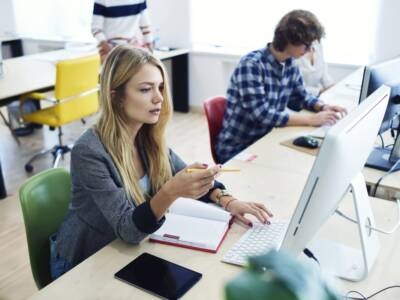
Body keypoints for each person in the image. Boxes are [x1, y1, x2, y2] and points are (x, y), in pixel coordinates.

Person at [49, 45, 273, 279]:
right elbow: (129, 229)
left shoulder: (146, 135)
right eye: (145, 89)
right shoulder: (89, 151)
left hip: (125, 251)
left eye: (160, 87)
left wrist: (227, 200)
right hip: (84, 260)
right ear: (115, 96)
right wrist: (170, 192)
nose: (158, 98)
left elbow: (188, 174)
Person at [215, 10, 346, 164]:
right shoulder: (251, 65)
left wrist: (323, 107)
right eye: (307, 45)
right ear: (290, 41)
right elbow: (261, 115)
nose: (310, 50)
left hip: (268, 137)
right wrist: (311, 119)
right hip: (240, 148)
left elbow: (301, 97)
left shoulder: (290, 63)